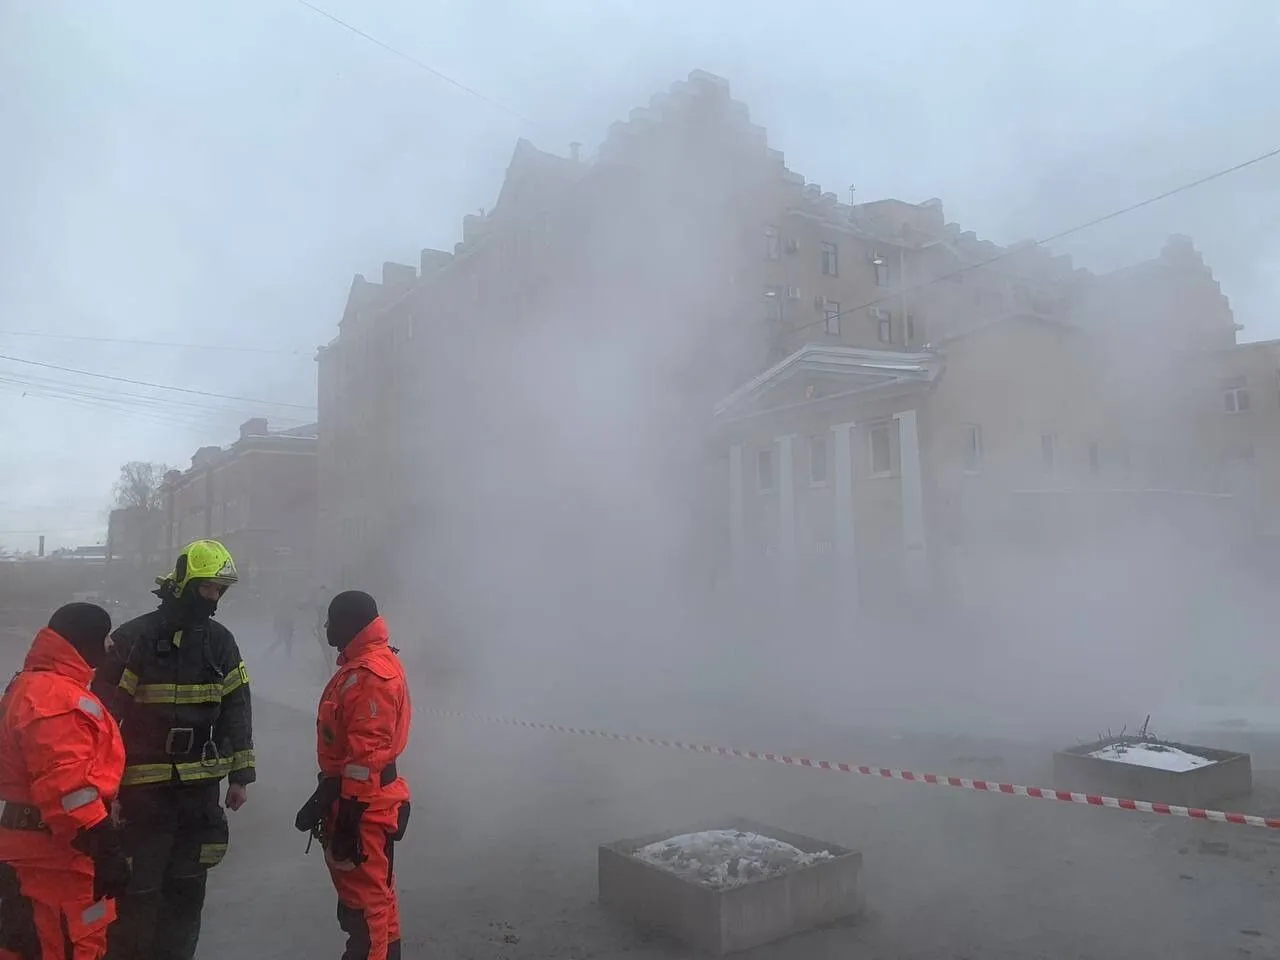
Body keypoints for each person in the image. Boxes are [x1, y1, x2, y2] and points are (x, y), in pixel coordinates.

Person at [92, 540, 255, 960]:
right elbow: (102, 720)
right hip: (142, 792)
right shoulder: (136, 638)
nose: (214, 598)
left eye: (220, 590)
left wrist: (240, 776)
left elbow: (236, 706)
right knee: (136, 894)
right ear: (184, 583)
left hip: (198, 794)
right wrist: (104, 793)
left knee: (186, 894)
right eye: (208, 588)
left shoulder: (220, 642)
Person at [0, 603, 131, 960]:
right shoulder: (54, 698)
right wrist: (103, 843)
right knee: (65, 944)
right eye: (104, 637)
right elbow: (68, 787)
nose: (109, 647)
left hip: (44, 854)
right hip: (53, 861)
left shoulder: (36, 686)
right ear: (84, 640)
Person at [294, 591, 412, 960]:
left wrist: (348, 817)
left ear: (350, 623)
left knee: (365, 908)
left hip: (364, 807)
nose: (326, 626)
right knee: (378, 900)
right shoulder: (366, 665)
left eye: (331, 620)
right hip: (364, 799)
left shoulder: (369, 676)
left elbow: (365, 756)